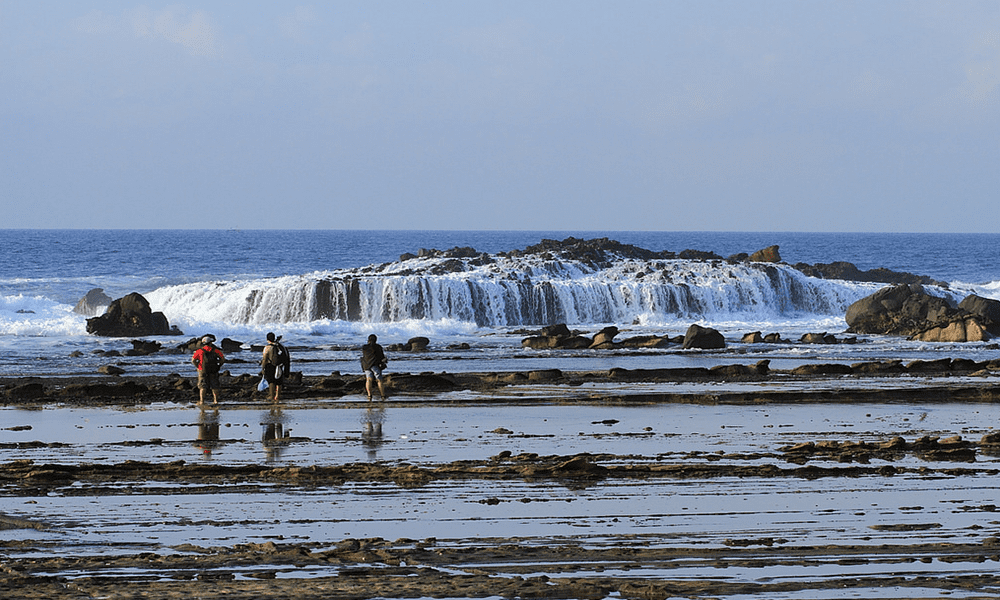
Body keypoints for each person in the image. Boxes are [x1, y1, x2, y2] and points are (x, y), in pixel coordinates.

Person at [191, 334, 225, 405]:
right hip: (213, 370)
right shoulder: (216, 350)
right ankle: (215, 401)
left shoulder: (199, 351)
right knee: (214, 386)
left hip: (202, 370)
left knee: (202, 386)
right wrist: (219, 365)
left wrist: (198, 366)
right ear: (210, 343)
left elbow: (193, 360)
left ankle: (202, 401)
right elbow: (222, 359)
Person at [261, 332, 290, 402]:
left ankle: (271, 395)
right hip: (279, 366)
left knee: (271, 382)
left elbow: (264, 359)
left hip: (270, 365)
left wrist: (263, 368)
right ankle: (277, 396)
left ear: (267, 339)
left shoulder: (267, 347)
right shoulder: (281, 347)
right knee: (279, 382)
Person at [360, 333, 388, 401]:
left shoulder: (364, 347)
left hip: (366, 365)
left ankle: (369, 395)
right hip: (375, 365)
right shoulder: (378, 347)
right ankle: (382, 395)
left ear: (368, 340)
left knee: (369, 380)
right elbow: (381, 357)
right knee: (379, 380)